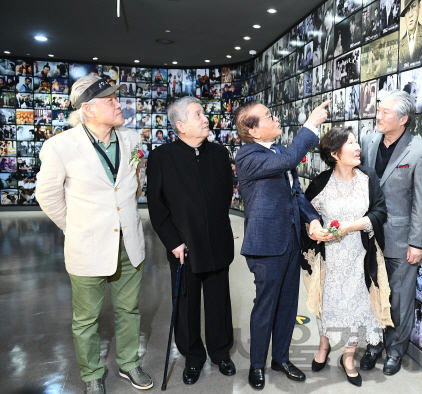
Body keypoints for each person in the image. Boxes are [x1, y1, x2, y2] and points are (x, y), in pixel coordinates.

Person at [36, 76, 151, 394]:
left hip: (129, 241)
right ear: (87, 109)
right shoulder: (60, 146)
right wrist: (74, 227)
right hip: (87, 246)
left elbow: (135, 179)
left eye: (118, 98)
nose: (119, 104)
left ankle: (129, 364)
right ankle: (91, 373)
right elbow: (48, 197)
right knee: (86, 318)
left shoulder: (131, 139)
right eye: (110, 100)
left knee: (129, 308)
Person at [234, 100, 329, 389]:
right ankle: (257, 365)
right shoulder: (247, 156)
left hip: (289, 241)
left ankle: (281, 358)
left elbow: (296, 195)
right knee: (266, 305)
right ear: (253, 131)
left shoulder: (277, 152)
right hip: (265, 245)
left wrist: (312, 219)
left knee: (288, 304)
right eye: (268, 117)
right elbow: (290, 160)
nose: (275, 119)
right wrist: (311, 125)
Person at [147, 97, 236, 386]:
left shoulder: (220, 154)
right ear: (181, 125)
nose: (206, 117)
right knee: (185, 305)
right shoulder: (161, 158)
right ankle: (193, 357)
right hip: (183, 247)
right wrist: (173, 241)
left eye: (203, 112)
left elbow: (224, 198)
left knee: (219, 301)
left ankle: (220, 352)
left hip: (217, 241)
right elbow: (156, 207)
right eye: (198, 114)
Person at [300, 126, 392, 387]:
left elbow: (380, 212)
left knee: (358, 306)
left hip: (361, 257)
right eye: (350, 143)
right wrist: (314, 228)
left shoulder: (368, 178)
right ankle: (323, 345)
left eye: (356, 142)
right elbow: (307, 212)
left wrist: (351, 226)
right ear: (335, 154)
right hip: (330, 257)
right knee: (326, 302)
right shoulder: (321, 182)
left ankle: (348, 358)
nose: (357, 147)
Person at [359, 90, 422, 375]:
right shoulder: (367, 142)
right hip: (368, 236)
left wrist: (417, 242)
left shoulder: (420, 151)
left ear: (403, 119)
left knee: (399, 299)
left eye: (386, 112)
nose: (378, 115)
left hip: (402, 241)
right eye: (379, 110)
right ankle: (374, 344)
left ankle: (394, 351)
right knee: (373, 294)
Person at [398, 0, 422, 66]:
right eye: (407, 10)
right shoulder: (400, 44)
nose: (410, 15)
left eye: (413, 6)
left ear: (419, 8)